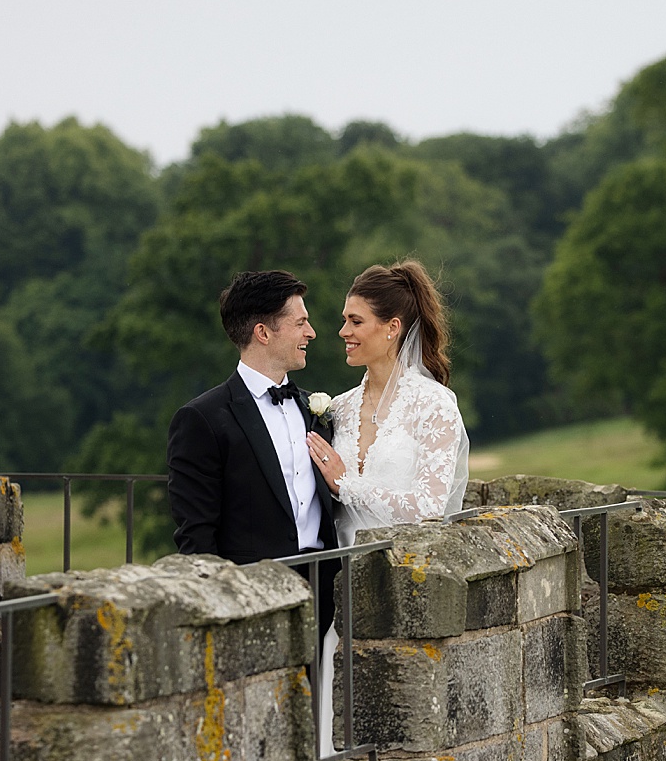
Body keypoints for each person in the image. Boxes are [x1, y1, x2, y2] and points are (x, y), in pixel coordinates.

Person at [165, 267, 337, 616]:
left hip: (326, 592)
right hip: (252, 598)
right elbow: (196, 536)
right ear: (263, 332)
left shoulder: (312, 408)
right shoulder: (202, 419)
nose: (312, 333)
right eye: (300, 323)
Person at [306, 260, 469, 539]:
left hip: (404, 569)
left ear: (392, 327)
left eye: (355, 321)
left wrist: (345, 485)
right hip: (338, 571)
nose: (343, 331)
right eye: (344, 320)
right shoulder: (338, 408)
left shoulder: (433, 405)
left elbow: (429, 509)